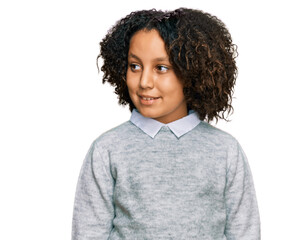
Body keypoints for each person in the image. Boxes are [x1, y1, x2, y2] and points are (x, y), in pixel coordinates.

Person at [72, 8, 260, 239]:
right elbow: (89, 233)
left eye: (161, 68)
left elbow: (244, 232)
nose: (144, 82)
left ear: (193, 72)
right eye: (135, 66)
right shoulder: (107, 149)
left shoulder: (225, 150)